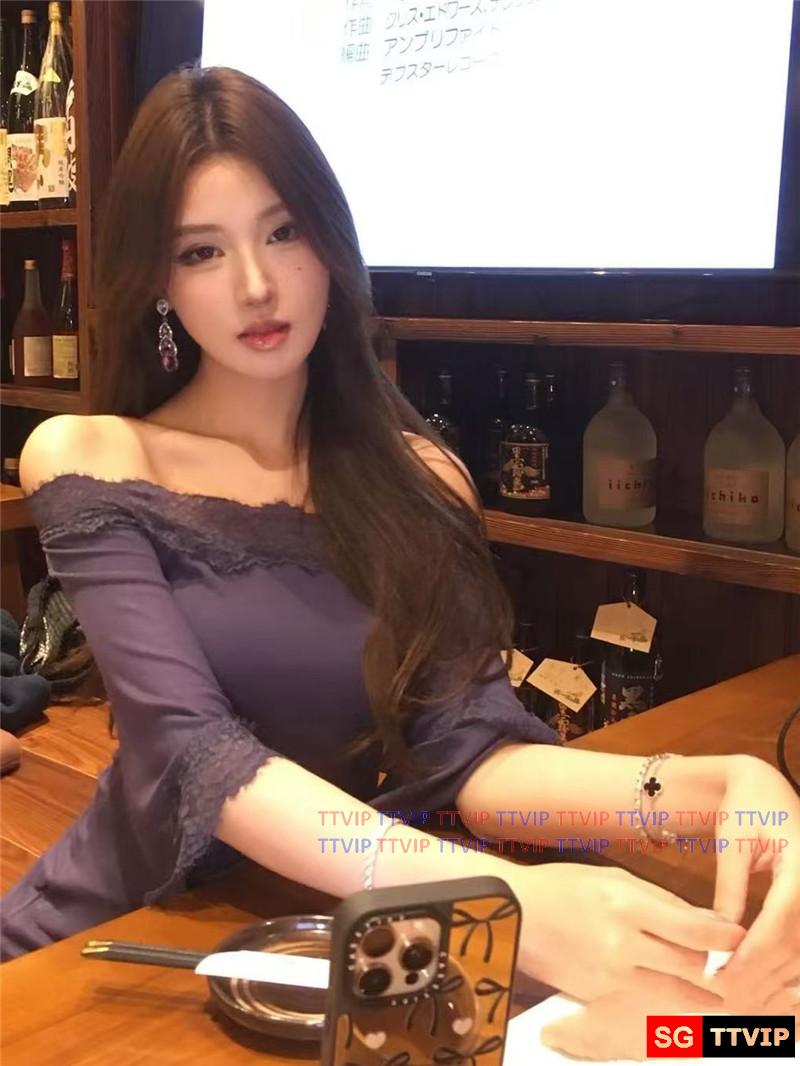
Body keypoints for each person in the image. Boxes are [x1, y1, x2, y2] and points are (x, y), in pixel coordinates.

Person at [1, 67, 797, 1020]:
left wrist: (708, 790)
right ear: (160, 282)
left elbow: (472, 757)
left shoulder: (423, 478)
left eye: (283, 232)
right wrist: (497, 897)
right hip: (106, 947)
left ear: (331, 241)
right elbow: (191, 752)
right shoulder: (94, 459)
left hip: (311, 944)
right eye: (202, 251)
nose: (256, 285)